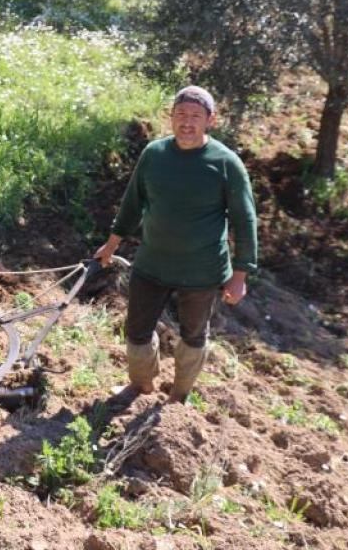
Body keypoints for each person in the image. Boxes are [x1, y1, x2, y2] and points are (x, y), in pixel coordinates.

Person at [94, 86, 258, 403]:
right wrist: (111, 245)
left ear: (210, 120)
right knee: (137, 332)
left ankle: (179, 395)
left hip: (203, 271)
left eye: (195, 116)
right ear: (171, 118)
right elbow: (132, 204)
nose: (187, 122)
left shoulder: (226, 163)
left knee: (193, 336)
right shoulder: (154, 154)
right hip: (152, 263)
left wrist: (240, 275)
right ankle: (141, 385)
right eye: (180, 114)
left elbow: (245, 220)